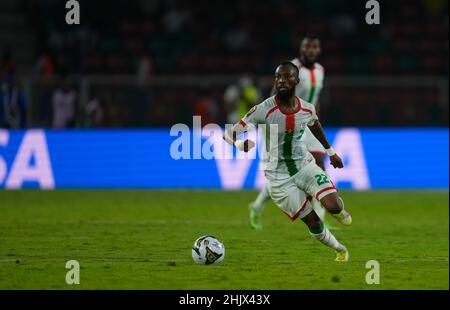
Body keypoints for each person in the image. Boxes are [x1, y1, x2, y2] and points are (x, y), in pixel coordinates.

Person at [223, 62, 352, 261]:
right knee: (314, 222)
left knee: (334, 206)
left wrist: (331, 152)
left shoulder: (307, 109)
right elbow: (229, 134)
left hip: (304, 166)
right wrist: (240, 145)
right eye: (278, 77)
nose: (282, 81)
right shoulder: (263, 109)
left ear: (296, 81)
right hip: (278, 177)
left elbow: (315, 124)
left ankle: (339, 211)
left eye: (287, 77)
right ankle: (340, 249)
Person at [248, 36, 327, 230]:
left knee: (319, 165)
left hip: (306, 122)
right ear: (301, 49)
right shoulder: (292, 70)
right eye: (307, 46)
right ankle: (256, 206)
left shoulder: (320, 71)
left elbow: (314, 100)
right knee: (283, 171)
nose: (311, 50)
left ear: (319, 50)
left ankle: (322, 217)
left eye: (315, 47)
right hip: (285, 124)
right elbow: (276, 95)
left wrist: (314, 118)